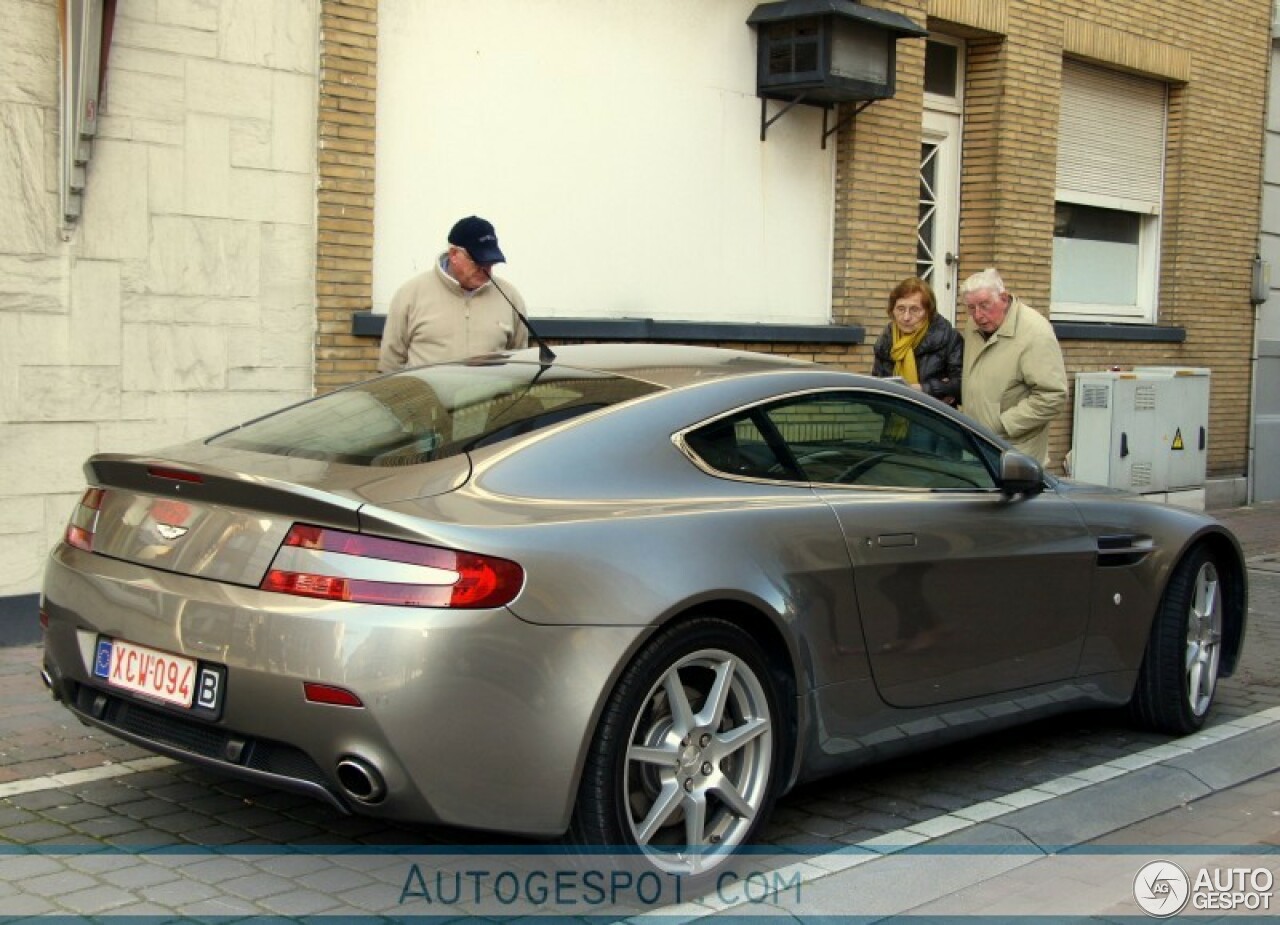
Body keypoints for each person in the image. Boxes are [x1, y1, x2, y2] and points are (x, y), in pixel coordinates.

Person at [378, 216, 529, 372]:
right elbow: (390, 365)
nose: (485, 269)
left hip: (490, 397)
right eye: (478, 262)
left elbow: (518, 365)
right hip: (426, 396)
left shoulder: (510, 298)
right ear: (454, 254)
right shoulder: (410, 295)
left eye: (491, 262)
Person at [959, 268, 1068, 465]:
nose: (978, 315)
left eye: (985, 305)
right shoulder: (972, 326)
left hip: (1014, 453)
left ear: (1003, 298)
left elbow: (1053, 396)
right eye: (971, 308)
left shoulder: (1036, 333)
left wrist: (1003, 424)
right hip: (976, 446)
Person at [871, 277, 962, 406]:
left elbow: (961, 386)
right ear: (892, 311)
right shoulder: (885, 342)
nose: (906, 317)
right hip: (895, 416)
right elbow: (876, 390)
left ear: (928, 312)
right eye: (901, 309)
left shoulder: (949, 338)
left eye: (914, 310)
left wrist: (923, 390)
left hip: (936, 419)